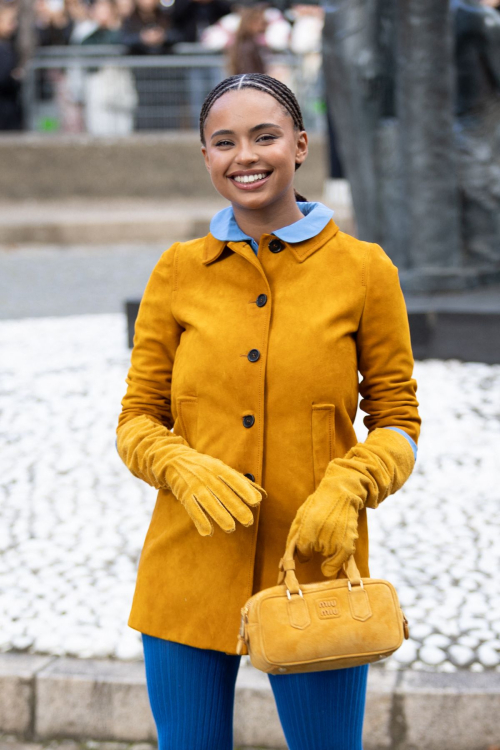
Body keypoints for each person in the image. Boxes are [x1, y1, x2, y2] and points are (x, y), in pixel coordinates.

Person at [116, 73, 421, 750]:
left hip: (315, 569)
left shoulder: (366, 271)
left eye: (264, 136)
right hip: (184, 569)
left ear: (301, 145)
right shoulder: (177, 271)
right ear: (206, 158)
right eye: (224, 142)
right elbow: (136, 418)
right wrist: (177, 464)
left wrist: (350, 486)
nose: (244, 155)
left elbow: (399, 418)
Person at [226, 4, 268, 76]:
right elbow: (249, 74)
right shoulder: (246, 46)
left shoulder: (245, 44)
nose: (263, 25)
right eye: (260, 21)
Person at [0, 1, 22, 130]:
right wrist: (15, 78)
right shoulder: (4, 49)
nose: (14, 26)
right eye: (10, 21)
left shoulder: (9, 45)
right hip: (5, 107)